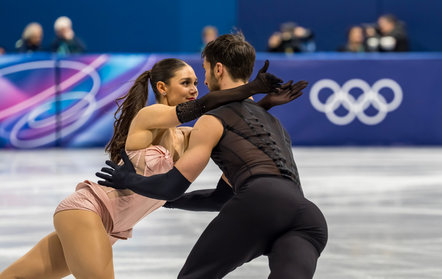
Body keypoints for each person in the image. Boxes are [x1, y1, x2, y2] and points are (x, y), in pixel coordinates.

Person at [0, 57, 304, 278]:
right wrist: (251, 88)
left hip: (110, 228)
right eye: (185, 83)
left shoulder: (186, 137)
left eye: (196, 82)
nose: (194, 89)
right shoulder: (149, 117)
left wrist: (264, 105)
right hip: (86, 212)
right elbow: (201, 108)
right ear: (161, 86)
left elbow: (225, 126)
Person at [97, 34, 328, 279]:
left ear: (218, 69)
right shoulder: (274, 123)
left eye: (205, 72)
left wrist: (129, 181)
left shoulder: (212, 119)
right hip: (308, 218)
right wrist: (164, 201)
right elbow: (221, 198)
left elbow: (171, 186)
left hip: (261, 203)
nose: (203, 82)